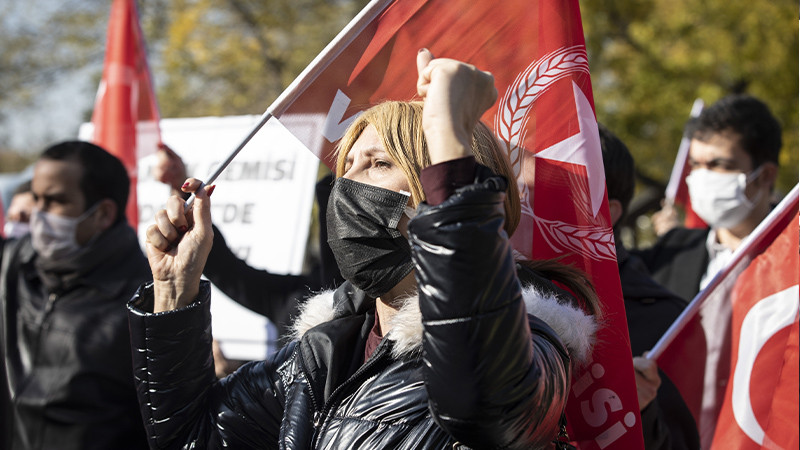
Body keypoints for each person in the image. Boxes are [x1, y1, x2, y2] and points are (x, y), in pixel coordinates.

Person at [127, 49, 599, 449]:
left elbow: (480, 397)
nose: (347, 185)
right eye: (346, 166)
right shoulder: (322, 354)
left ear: (435, 193)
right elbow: (193, 438)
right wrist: (174, 294)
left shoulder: (533, 346)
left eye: (377, 163)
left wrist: (449, 138)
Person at [0, 141, 149, 449]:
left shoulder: (145, 300)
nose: (38, 213)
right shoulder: (13, 264)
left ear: (103, 214)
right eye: (36, 198)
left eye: (55, 201)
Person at [599, 124, 700, 450]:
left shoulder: (663, 320)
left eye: (551, 186)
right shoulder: (500, 289)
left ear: (606, 211)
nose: (523, 198)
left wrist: (642, 410)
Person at [634, 95, 781, 302]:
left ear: (766, 175)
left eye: (719, 165)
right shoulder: (671, 252)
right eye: (695, 164)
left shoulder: (791, 253)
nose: (702, 177)